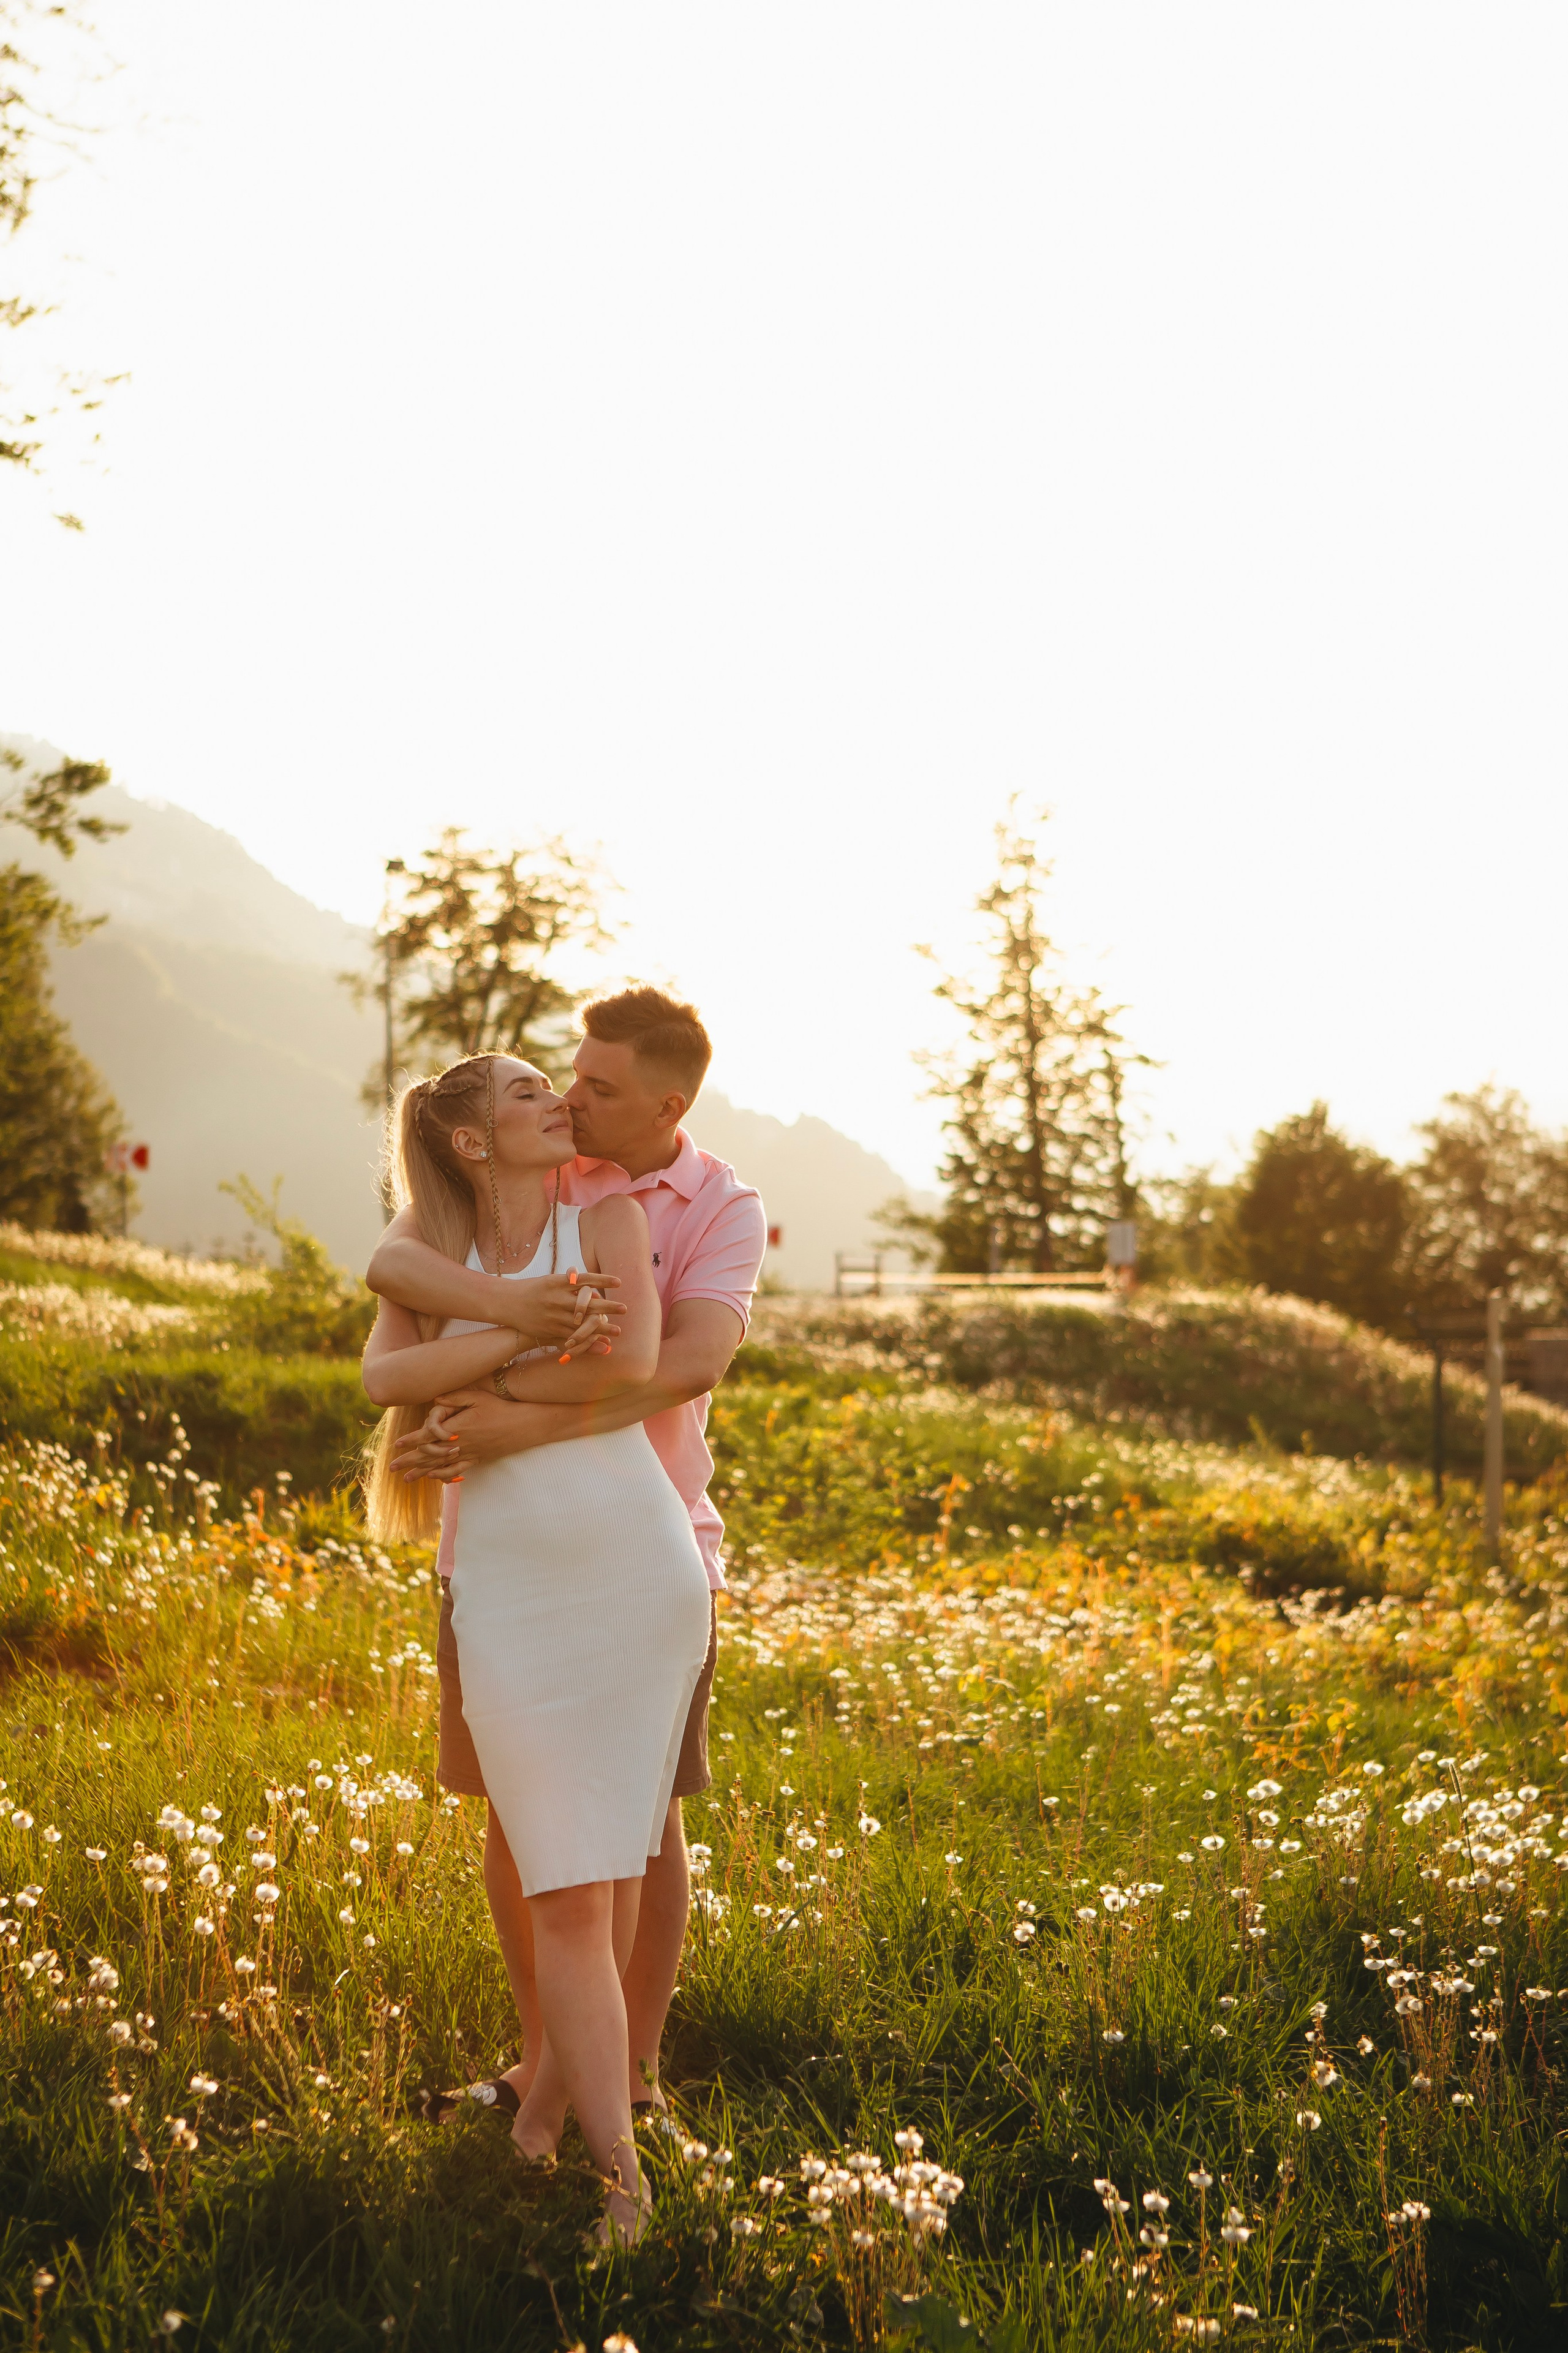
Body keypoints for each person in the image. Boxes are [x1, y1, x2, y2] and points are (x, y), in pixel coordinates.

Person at [366, 988, 766, 2153]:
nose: (572, 1095)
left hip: (649, 1539)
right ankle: (544, 2067)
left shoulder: (711, 1205)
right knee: (518, 1818)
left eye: (593, 1086)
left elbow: (677, 1366)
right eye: (560, 1080)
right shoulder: (551, 1180)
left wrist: (493, 1410)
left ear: (667, 1102)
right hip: (503, 1558)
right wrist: (505, 1317)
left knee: (644, 1822)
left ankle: (631, 2071)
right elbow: (404, 1281)